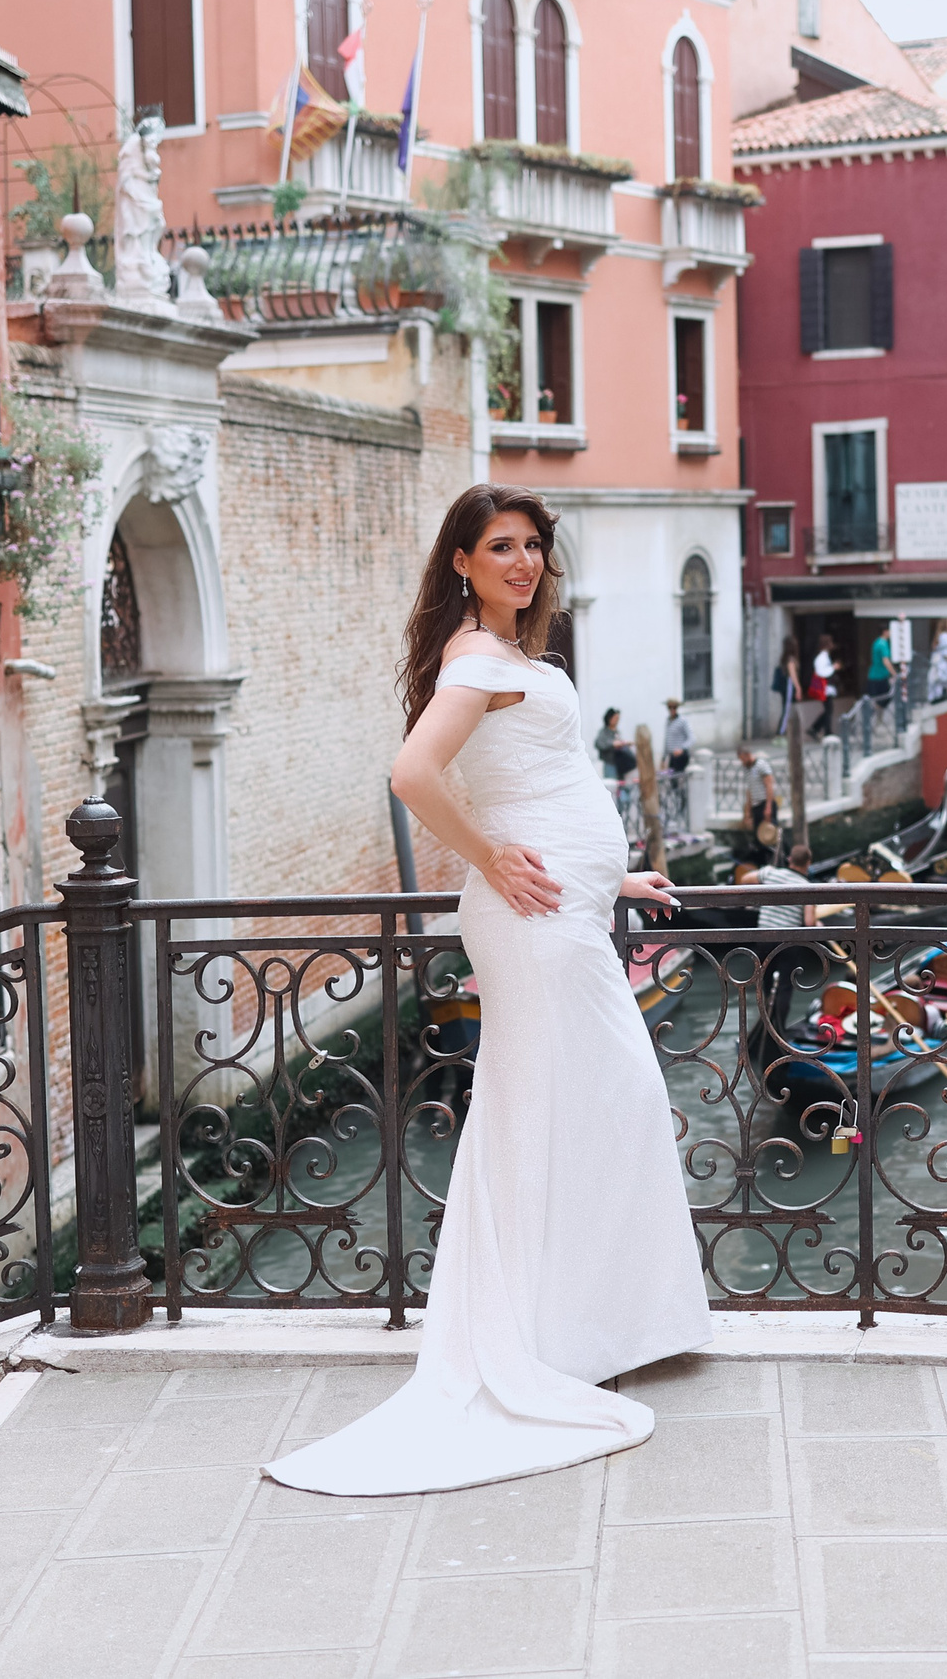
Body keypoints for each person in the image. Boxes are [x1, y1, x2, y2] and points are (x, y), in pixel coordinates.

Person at [267, 483, 709, 1497]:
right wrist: (494, 861)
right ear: (461, 562)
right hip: (532, 921)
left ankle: (572, 1329)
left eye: (533, 546)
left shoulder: (509, 659)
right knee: (591, 1106)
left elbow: (530, 780)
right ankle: (553, 1339)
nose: (522, 561)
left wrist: (610, 875)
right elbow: (415, 772)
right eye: (500, 545)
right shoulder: (475, 657)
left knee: (568, 1112)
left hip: (564, 911)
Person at [737, 747, 778, 854]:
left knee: (771, 834)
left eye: (742, 759)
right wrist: (748, 811)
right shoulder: (746, 768)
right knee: (759, 837)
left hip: (765, 804)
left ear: (747, 754)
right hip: (756, 805)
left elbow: (769, 785)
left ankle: (779, 857)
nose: (742, 762)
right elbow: (750, 790)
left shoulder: (761, 765)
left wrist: (768, 807)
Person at [808, 632, 842, 734]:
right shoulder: (821, 657)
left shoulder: (825, 656)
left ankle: (816, 729)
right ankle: (824, 731)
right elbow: (821, 672)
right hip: (825, 687)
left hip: (827, 687)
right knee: (828, 710)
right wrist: (833, 667)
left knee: (828, 710)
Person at [594, 706, 637, 782]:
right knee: (612, 784)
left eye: (618, 719)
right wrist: (613, 744)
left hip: (620, 764)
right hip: (610, 764)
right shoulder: (604, 732)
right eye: (615, 718)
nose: (617, 721)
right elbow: (598, 744)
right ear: (609, 718)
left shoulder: (617, 732)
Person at [772, 635, 802, 735]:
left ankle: (782, 731)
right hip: (789, 686)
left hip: (787, 686)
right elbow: (793, 675)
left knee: (786, 708)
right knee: (787, 709)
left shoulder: (785, 658)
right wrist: (798, 688)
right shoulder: (790, 659)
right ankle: (781, 732)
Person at [927, 617, 947, 702]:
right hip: (944, 666)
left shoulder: (941, 636)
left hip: (941, 666)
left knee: (940, 688)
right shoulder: (945, 636)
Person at [865, 622, 894, 710]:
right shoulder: (882, 644)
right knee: (885, 698)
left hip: (875, 676)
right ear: (885, 632)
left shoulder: (877, 642)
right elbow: (886, 660)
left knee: (881, 700)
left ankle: (878, 718)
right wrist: (894, 673)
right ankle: (877, 718)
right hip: (879, 677)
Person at [662, 699, 691, 774]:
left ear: (677, 708)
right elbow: (667, 740)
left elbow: (692, 738)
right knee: (672, 777)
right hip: (672, 756)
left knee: (679, 775)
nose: (672, 710)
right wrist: (663, 757)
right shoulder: (668, 721)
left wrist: (681, 749)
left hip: (681, 756)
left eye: (674, 707)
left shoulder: (682, 721)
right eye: (670, 707)